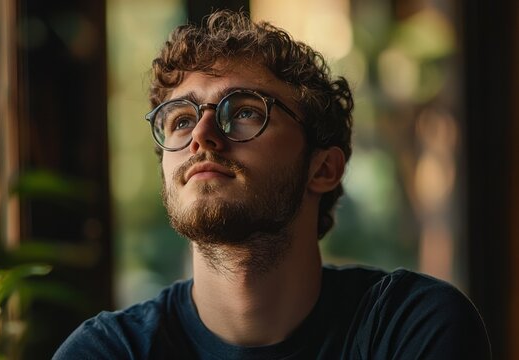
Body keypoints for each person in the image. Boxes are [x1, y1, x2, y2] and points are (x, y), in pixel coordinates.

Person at [54, 10, 490, 359]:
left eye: (244, 111)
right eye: (181, 120)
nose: (202, 135)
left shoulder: (409, 328)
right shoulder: (108, 351)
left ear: (323, 169)